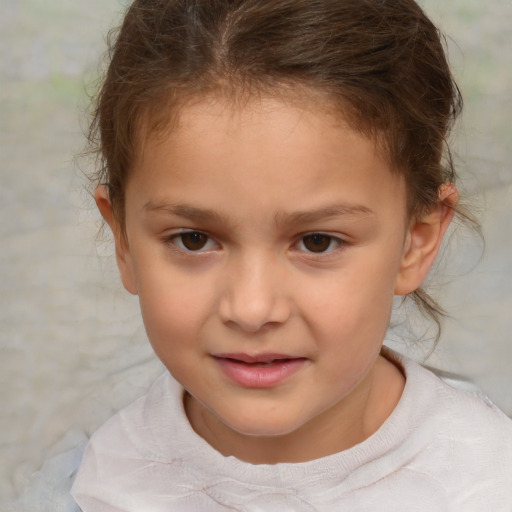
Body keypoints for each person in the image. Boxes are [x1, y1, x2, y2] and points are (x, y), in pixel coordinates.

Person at [70, 0, 512, 510]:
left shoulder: (487, 484)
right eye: (193, 239)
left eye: (317, 241)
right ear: (123, 238)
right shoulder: (110, 477)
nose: (253, 309)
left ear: (416, 238)